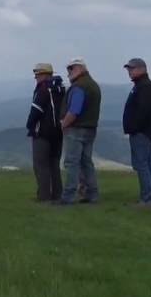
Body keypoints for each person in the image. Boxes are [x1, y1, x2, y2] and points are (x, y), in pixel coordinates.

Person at [60, 57, 102, 205]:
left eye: (71, 69)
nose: (68, 73)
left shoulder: (79, 87)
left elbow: (74, 111)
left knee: (72, 163)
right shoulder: (94, 85)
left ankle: (68, 196)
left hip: (76, 129)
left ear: (79, 68)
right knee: (86, 163)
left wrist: (64, 124)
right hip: (91, 129)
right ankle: (92, 194)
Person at [122, 58, 151, 206]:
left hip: (142, 132)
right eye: (129, 69)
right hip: (142, 132)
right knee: (147, 164)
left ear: (142, 69)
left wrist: (133, 127)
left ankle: (147, 198)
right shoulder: (141, 86)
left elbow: (142, 111)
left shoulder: (145, 87)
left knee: (142, 164)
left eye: (132, 68)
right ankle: (150, 196)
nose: (129, 72)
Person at [26, 64, 65, 203]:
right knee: (54, 164)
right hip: (58, 132)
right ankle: (58, 194)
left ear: (44, 75)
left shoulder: (42, 89)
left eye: (38, 75)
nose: (36, 78)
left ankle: (44, 196)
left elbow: (36, 110)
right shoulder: (61, 89)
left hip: (42, 133)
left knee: (41, 165)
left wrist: (30, 126)